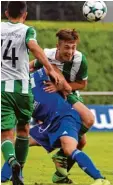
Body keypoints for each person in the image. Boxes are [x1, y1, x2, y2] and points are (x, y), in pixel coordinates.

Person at [1, 67, 110, 185]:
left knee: (69, 148)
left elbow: (51, 67)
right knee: (21, 143)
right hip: (48, 124)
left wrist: (61, 84)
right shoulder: (14, 94)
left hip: (64, 117)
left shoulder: (35, 77)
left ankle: (100, 179)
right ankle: (3, 177)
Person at [1, 2, 61, 185]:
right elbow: (33, 46)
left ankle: (12, 162)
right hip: (24, 90)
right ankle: (19, 172)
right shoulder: (27, 30)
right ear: (25, 15)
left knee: (5, 135)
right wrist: (50, 69)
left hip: (3, 89)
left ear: (6, 13)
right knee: (23, 131)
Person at [29, 28, 95, 183]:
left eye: (73, 47)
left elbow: (82, 84)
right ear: (58, 46)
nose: (70, 51)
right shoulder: (48, 56)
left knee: (82, 142)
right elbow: (31, 66)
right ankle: (49, 144)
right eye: (67, 47)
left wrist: (63, 87)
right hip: (50, 98)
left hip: (69, 93)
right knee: (87, 122)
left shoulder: (80, 60)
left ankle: (60, 174)